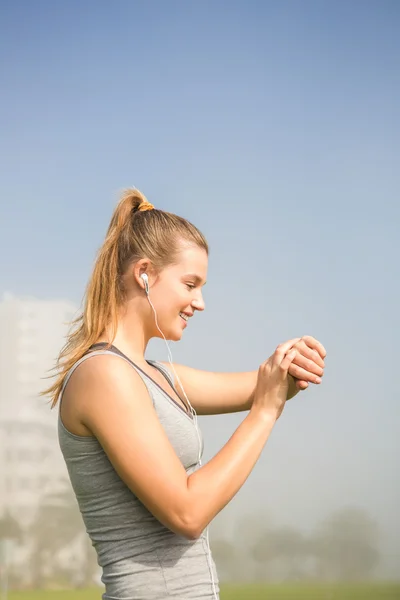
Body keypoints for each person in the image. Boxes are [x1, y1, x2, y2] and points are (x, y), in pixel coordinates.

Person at [43, 188, 326, 600]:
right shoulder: (103, 375)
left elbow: (264, 386)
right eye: (190, 284)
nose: (201, 302)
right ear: (144, 273)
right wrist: (263, 414)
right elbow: (186, 512)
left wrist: (293, 363)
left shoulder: (159, 376)